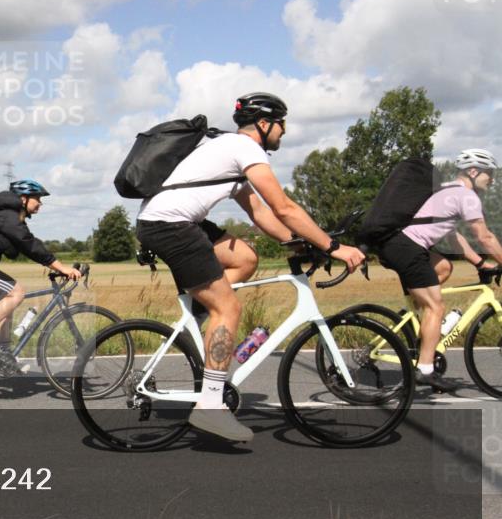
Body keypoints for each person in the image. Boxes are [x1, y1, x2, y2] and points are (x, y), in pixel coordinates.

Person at [136, 92, 366, 442]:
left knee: (244, 257)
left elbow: (261, 214)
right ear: (264, 124)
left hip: (169, 220)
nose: (284, 132)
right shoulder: (247, 150)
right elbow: (284, 207)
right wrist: (332, 246)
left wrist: (300, 242)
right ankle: (211, 406)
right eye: (281, 124)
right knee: (228, 307)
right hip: (171, 224)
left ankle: (200, 319)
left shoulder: (231, 151)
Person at [377, 148, 502, 391]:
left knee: (444, 267)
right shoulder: (466, 196)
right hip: (407, 247)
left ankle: (420, 325)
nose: (493, 179)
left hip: (401, 244)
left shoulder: (447, 190)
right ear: (474, 171)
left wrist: (479, 263)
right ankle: (424, 370)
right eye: (490, 173)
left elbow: (453, 237)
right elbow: (485, 237)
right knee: (436, 306)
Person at [0, 179, 82, 374]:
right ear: (23, 199)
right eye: (37, 199)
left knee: (6, 305)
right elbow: (30, 245)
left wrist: (55, 264)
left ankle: (5, 358)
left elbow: (28, 243)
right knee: (17, 292)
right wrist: (62, 267)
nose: (40, 203)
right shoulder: (7, 216)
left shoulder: (11, 216)